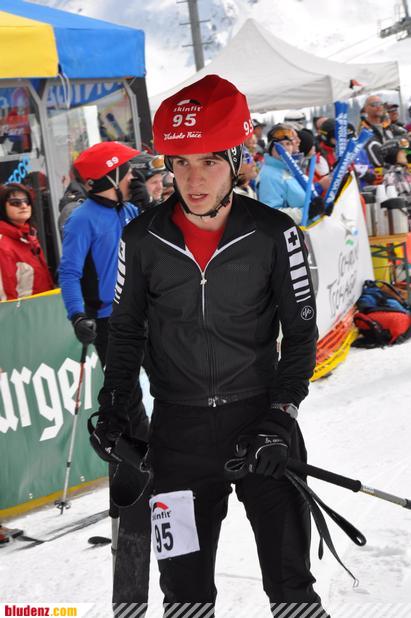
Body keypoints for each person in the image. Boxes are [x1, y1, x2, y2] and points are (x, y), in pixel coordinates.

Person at [92, 74, 328, 617]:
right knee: (184, 596)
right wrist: (115, 405)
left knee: (292, 589)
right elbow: (125, 331)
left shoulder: (274, 233)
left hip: (263, 430)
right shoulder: (141, 238)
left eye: (210, 162)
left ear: (236, 160)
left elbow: (300, 336)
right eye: (181, 163)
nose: (193, 179)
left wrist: (281, 415)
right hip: (178, 441)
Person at [58, 141, 151, 607]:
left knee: (173, 380)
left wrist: (149, 207)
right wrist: (78, 314)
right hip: (110, 322)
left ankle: (171, 452)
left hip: (146, 313)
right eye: (128, 171)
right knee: (126, 397)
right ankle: (146, 464)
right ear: (109, 178)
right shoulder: (83, 219)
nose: (135, 176)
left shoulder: (128, 211)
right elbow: (69, 271)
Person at [0, 182, 54, 300]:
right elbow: (5, 299)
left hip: (42, 306)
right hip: (24, 310)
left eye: (27, 201)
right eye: (15, 202)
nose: (24, 206)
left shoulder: (29, 237)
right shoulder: (3, 244)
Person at [257, 123, 307, 223]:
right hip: (293, 230)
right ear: (270, 148)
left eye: (288, 144)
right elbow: (271, 215)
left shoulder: (291, 170)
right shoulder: (268, 175)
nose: (284, 148)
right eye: (280, 145)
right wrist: (306, 212)